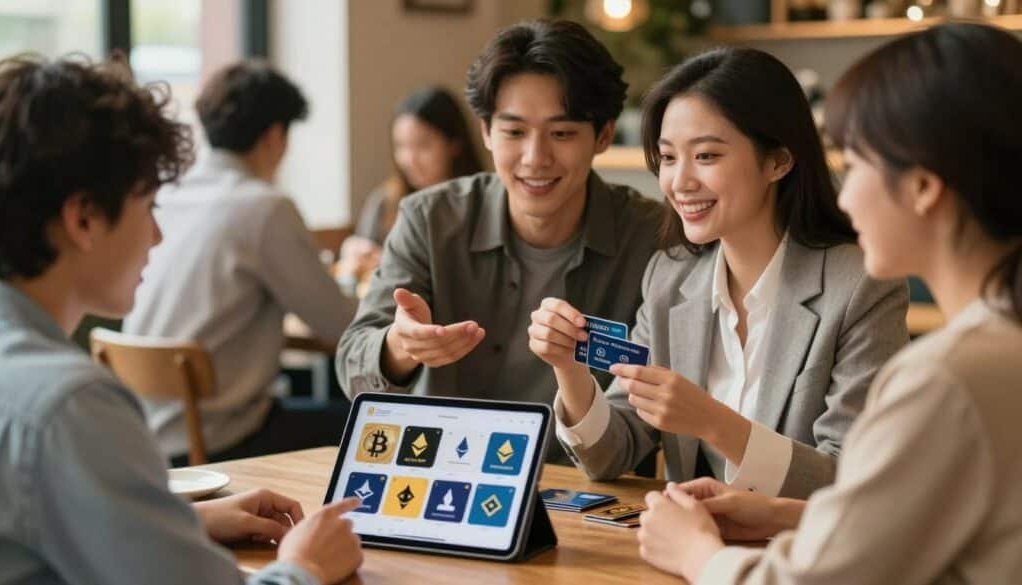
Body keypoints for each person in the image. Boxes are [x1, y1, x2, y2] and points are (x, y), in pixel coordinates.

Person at [637, 22, 1022, 584]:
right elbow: (911, 523)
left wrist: (698, 554)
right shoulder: (998, 344)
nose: (846, 188)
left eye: (857, 161)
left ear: (922, 188)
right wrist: (784, 513)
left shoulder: (947, 378)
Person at [0, 54, 361, 585]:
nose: (158, 237)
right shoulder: (69, 406)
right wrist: (303, 566)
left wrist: (182, 522)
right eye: (149, 207)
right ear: (83, 218)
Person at [529, 47, 908, 497]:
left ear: (778, 161)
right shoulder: (670, 278)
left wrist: (712, 421)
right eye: (668, 158)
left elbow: (850, 479)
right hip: (687, 548)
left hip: (799, 555)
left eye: (706, 156)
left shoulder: (859, 285)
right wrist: (570, 371)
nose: (679, 182)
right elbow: (613, 454)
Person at [335, 19, 663, 463]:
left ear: (603, 135)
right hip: (439, 479)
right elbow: (352, 364)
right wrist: (400, 345)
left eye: (562, 133)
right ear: (486, 132)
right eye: (513, 132)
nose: (535, 158)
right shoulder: (430, 219)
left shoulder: (651, 238)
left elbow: (634, 433)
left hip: (578, 493)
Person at [123, 60, 358, 466]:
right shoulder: (264, 207)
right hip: (218, 442)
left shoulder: (174, 194)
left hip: (144, 438)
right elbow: (340, 324)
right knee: (372, 426)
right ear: (274, 135)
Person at [338, 86, 484, 286]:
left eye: (423, 145)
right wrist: (353, 252)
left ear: (454, 144)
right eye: (401, 146)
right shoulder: (385, 201)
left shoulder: (481, 203)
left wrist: (394, 265)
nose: (409, 159)